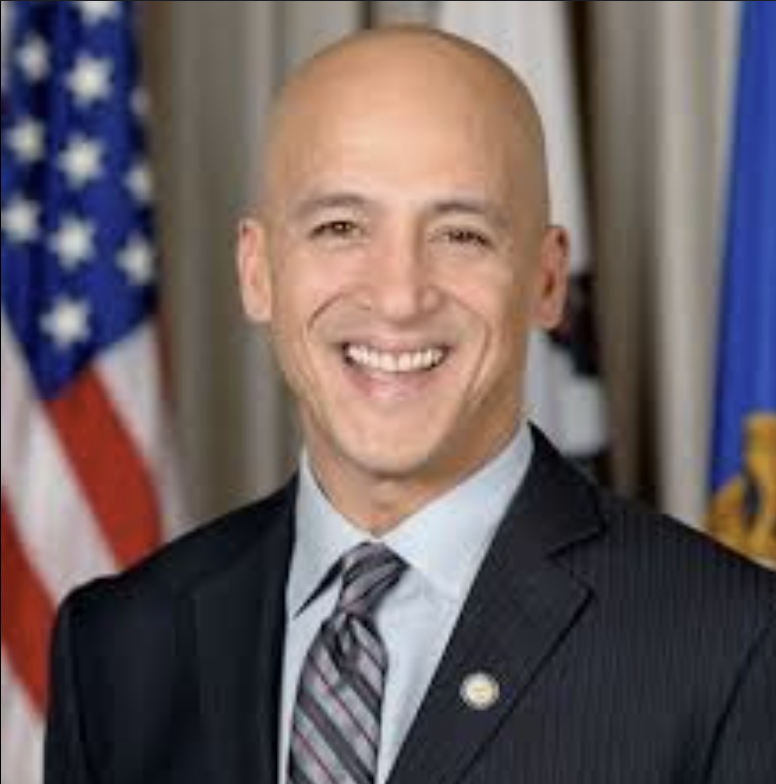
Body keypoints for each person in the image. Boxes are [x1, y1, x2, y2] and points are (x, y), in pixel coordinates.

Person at [45, 26, 775, 784]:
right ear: (258, 271)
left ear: (547, 280)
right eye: (340, 228)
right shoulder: (116, 646)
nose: (398, 297)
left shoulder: (735, 648)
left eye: (461, 234)